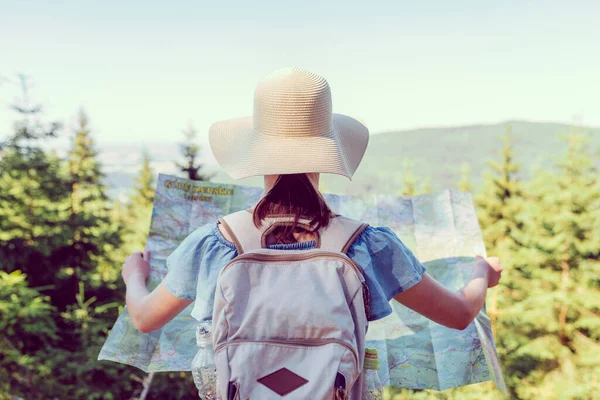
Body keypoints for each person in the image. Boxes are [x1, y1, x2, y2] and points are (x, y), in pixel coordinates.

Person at [121, 67, 503, 341]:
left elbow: (144, 318)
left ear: (255, 152)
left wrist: (134, 276)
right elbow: (458, 315)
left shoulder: (213, 243)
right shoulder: (367, 245)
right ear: (330, 149)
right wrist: (481, 273)